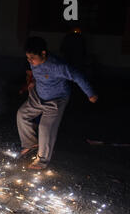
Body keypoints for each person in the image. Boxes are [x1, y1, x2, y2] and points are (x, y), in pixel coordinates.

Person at [17, 37, 98, 170]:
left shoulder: (58, 66)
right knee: (22, 114)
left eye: (32, 57)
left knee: (45, 127)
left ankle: (42, 160)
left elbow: (77, 76)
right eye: (27, 57)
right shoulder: (34, 62)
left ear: (43, 53)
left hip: (56, 99)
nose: (29, 60)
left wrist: (90, 94)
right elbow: (36, 73)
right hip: (38, 96)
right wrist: (32, 82)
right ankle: (30, 144)